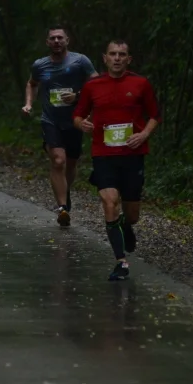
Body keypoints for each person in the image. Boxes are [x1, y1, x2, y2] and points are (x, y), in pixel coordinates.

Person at [73, 40, 160, 281]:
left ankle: (126, 225)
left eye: (122, 54)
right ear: (105, 58)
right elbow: (77, 115)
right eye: (113, 54)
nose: (117, 58)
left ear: (129, 59)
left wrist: (143, 135)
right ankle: (121, 262)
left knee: (132, 215)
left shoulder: (140, 84)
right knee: (109, 201)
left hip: (133, 155)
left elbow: (155, 115)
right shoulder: (93, 85)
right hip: (104, 154)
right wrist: (83, 124)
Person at [22, 26, 97, 227]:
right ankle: (62, 207)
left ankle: (65, 192)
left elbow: (97, 84)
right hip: (50, 120)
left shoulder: (80, 61)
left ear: (67, 40)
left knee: (71, 163)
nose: (56, 41)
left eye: (60, 38)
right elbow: (32, 83)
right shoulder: (40, 65)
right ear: (47, 42)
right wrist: (29, 103)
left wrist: (78, 96)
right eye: (52, 38)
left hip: (75, 120)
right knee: (58, 160)